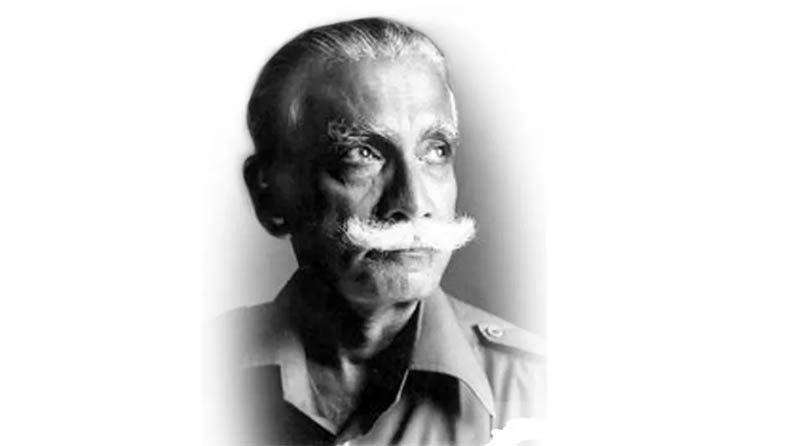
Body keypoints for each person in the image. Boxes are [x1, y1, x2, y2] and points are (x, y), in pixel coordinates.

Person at [221, 17, 545, 445]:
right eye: (362, 153)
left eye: (436, 150)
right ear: (270, 195)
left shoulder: (540, 394)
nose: (413, 203)